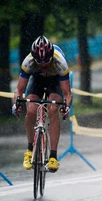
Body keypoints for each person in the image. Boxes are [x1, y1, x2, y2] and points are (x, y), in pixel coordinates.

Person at [13, 36, 72, 172]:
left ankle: (53, 156)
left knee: (53, 109)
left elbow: (67, 94)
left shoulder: (60, 62)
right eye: (39, 62)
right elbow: (18, 90)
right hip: (37, 80)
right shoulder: (28, 62)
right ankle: (29, 150)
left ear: (51, 56)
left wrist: (66, 107)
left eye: (46, 62)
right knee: (31, 110)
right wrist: (16, 104)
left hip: (55, 80)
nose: (43, 65)